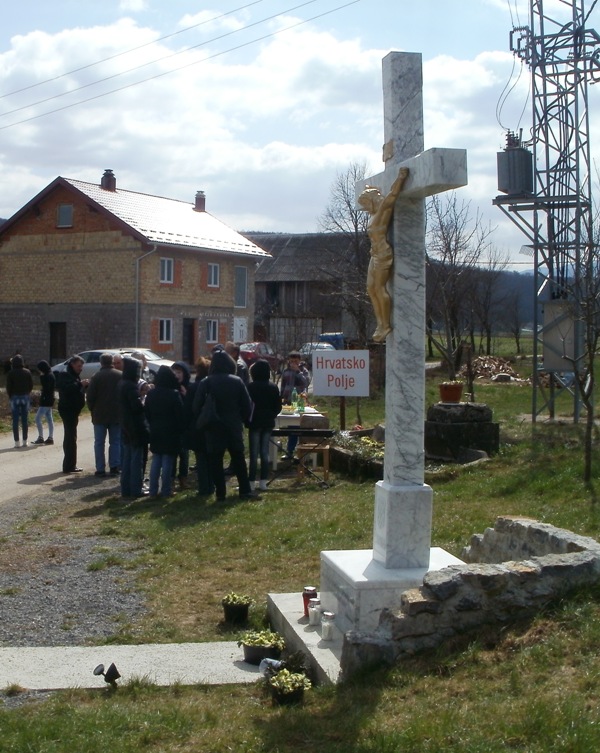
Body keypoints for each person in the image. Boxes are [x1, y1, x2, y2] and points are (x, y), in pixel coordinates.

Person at [192, 350, 256, 502]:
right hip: (233, 425)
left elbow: (196, 406)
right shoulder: (237, 381)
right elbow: (247, 406)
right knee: (238, 458)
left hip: (213, 426)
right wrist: (241, 419)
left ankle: (220, 493)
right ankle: (245, 490)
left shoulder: (206, 382)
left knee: (216, 460)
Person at [357, 166, 410, 342]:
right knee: (370, 288)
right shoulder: (373, 215)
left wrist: (401, 178)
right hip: (375, 254)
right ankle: (380, 323)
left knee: (379, 288)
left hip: (383, 254)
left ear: (372, 201)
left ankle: (385, 324)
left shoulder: (382, 212)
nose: (364, 207)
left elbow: (392, 195)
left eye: (366, 203)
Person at [144, 365, 185, 498]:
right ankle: (166, 490)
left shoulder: (151, 394)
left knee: (156, 460)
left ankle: (153, 491)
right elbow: (180, 414)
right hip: (170, 431)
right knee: (167, 461)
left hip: (155, 430)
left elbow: (147, 413)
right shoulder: (174, 394)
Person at [247, 359, 282, 491]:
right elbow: (278, 406)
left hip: (254, 422)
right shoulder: (273, 387)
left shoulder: (250, 387)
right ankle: (263, 481)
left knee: (253, 453)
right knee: (264, 452)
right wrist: (271, 415)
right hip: (268, 423)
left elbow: (246, 406)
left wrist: (247, 419)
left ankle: (251, 482)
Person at [86, 352, 122, 477]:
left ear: (101, 363)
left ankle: (100, 468)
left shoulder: (96, 377)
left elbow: (90, 396)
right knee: (115, 441)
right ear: (112, 362)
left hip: (99, 414)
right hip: (116, 414)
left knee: (99, 442)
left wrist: (92, 409)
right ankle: (114, 466)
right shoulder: (120, 375)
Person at [118, 357, 149, 498]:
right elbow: (136, 407)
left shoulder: (122, 383)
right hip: (135, 425)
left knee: (127, 459)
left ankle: (126, 490)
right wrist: (144, 401)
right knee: (136, 460)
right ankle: (136, 490)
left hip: (125, 424)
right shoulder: (130, 386)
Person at [183, 357, 214, 496]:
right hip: (211, 426)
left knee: (201, 459)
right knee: (212, 458)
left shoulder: (193, 387)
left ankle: (203, 488)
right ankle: (211, 486)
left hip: (197, 426)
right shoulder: (213, 385)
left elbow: (189, 409)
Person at [56, 355, 88, 473]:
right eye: (79, 366)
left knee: (71, 437)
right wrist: (80, 385)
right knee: (70, 438)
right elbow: (66, 389)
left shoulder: (73, 375)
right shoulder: (65, 375)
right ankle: (69, 466)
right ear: (72, 364)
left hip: (72, 410)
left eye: (81, 366)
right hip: (67, 409)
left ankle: (70, 464)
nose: (81, 368)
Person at [279, 351, 309, 459]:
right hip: (288, 401)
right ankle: (290, 451)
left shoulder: (303, 371)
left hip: (299, 401)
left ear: (299, 361)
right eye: (291, 361)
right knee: (290, 425)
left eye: (295, 361)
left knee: (298, 426)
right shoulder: (286, 371)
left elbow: (306, 383)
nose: (293, 363)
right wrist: (281, 397)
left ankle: (298, 451)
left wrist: (298, 372)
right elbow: (283, 385)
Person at [171, 360, 191, 489]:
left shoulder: (189, 387)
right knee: (172, 454)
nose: (176, 375)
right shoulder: (170, 387)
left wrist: (186, 395)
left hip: (185, 425)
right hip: (173, 426)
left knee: (184, 454)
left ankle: (183, 479)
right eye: (174, 372)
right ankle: (171, 480)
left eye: (179, 372)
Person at [6, 354, 34, 448]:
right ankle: (25, 441)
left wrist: (10, 396)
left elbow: (8, 387)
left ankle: (16, 442)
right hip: (25, 396)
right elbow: (31, 385)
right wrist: (27, 392)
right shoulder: (27, 372)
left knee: (15, 420)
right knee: (25, 420)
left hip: (15, 397)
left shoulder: (11, 373)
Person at [32, 360, 55, 445]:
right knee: (49, 418)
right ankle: (50, 437)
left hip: (46, 400)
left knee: (37, 418)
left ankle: (41, 437)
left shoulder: (47, 376)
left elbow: (46, 387)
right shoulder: (51, 375)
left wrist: (41, 377)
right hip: (50, 400)